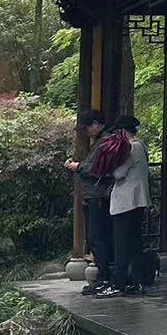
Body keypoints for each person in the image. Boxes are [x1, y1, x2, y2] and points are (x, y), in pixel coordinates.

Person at [64, 113, 113, 295]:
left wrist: (77, 167)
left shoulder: (104, 142)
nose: (85, 132)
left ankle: (105, 277)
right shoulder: (102, 141)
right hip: (97, 195)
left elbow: (96, 169)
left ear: (96, 124)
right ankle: (105, 276)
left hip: (97, 195)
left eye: (86, 128)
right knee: (97, 238)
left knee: (96, 238)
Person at [106, 115, 149, 296]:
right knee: (134, 243)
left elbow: (119, 173)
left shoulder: (131, 148)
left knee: (121, 244)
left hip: (126, 202)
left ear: (123, 131)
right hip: (138, 201)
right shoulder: (141, 146)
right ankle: (136, 281)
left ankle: (119, 283)